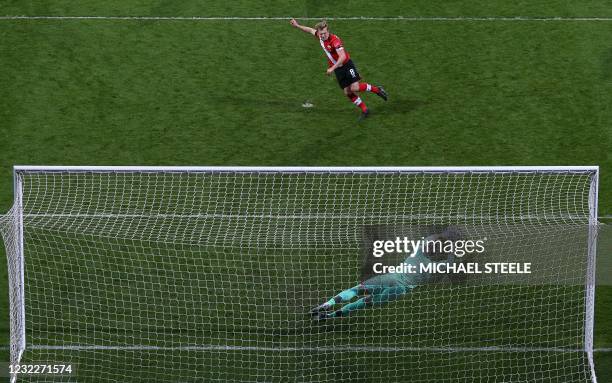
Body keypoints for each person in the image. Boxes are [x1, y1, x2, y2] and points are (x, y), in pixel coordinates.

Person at [310, 228, 465, 319]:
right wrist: (453, 250)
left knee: (356, 290)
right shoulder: (436, 269)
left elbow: (427, 242)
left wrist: (444, 237)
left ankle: (327, 304)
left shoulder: (418, 255)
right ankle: (330, 316)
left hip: (391, 278)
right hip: (400, 291)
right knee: (365, 303)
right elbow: (451, 264)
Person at [290, 18, 388, 120]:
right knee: (347, 92)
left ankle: (377, 90)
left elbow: (342, 57)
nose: (323, 35)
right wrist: (297, 25)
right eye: (321, 34)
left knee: (354, 88)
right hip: (338, 69)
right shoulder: (319, 36)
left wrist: (332, 68)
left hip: (346, 65)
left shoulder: (334, 41)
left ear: (328, 31)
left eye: (324, 33)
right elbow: (310, 30)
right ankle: (365, 110)